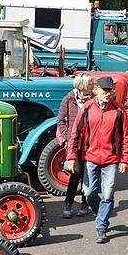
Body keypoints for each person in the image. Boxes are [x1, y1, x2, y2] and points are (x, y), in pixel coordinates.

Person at [66, 77, 128, 244]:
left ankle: (101, 226)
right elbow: (76, 134)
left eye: (110, 90)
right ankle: (101, 214)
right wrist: (71, 157)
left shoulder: (118, 110)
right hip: (91, 158)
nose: (107, 93)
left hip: (111, 159)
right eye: (105, 90)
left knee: (108, 193)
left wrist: (125, 159)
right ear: (96, 90)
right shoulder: (87, 108)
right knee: (88, 193)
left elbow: (126, 136)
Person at [57, 73, 95, 218]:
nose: (92, 87)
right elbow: (60, 120)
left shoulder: (93, 99)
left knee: (89, 175)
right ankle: (68, 203)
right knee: (76, 173)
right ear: (83, 86)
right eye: (90, 85)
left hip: (91, 144)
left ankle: (85, 204)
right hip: (74, 144)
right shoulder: (69, 98)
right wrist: (68, 138)